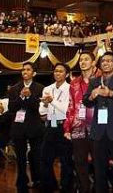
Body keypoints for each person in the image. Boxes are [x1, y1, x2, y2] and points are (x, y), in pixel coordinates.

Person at [83, 51, 113, 193]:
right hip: (99, 131)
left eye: (109, 61)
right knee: (99, 169)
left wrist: (110, 93)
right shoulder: (94, 81)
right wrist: (92, 97)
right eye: (103, 61)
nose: (105, 63)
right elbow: (86, 101)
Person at [8, 62, 45, 193]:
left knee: (36, 156)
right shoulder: (14, 88)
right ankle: (22, 181)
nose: (25, 72)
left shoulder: (41, 88)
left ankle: (38, 180)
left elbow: (39, 108)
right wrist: (21, 97)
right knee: (20, 157)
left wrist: (30, 96)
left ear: (33, 73)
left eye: (28, 70)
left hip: (35, 127)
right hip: (18, 127)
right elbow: (11, 109)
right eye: (23, 70)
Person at [64, 51, 96, 193]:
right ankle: (84, 189)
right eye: (81, 60)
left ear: (93, 62)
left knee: (99, 163)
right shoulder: (74, 83)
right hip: (78, 128)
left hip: (97, 128)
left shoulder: (101, 80)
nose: (83, 62)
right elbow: (71, 107)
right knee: (80, 163)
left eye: (86, 59)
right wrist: (67, 128)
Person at [39, 63, 73, 192]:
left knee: (66, 160)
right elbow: (42, 110)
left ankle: (66, 187)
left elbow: (66, 110)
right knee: (45, 158)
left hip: (64, 126)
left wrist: (52, 101)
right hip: (50, 126)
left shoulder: (70, 89)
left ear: (67, 74)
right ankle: (50, 185)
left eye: (60, 71)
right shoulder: (47, 88)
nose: (57, 73)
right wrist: (45, 105)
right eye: (55, 71)